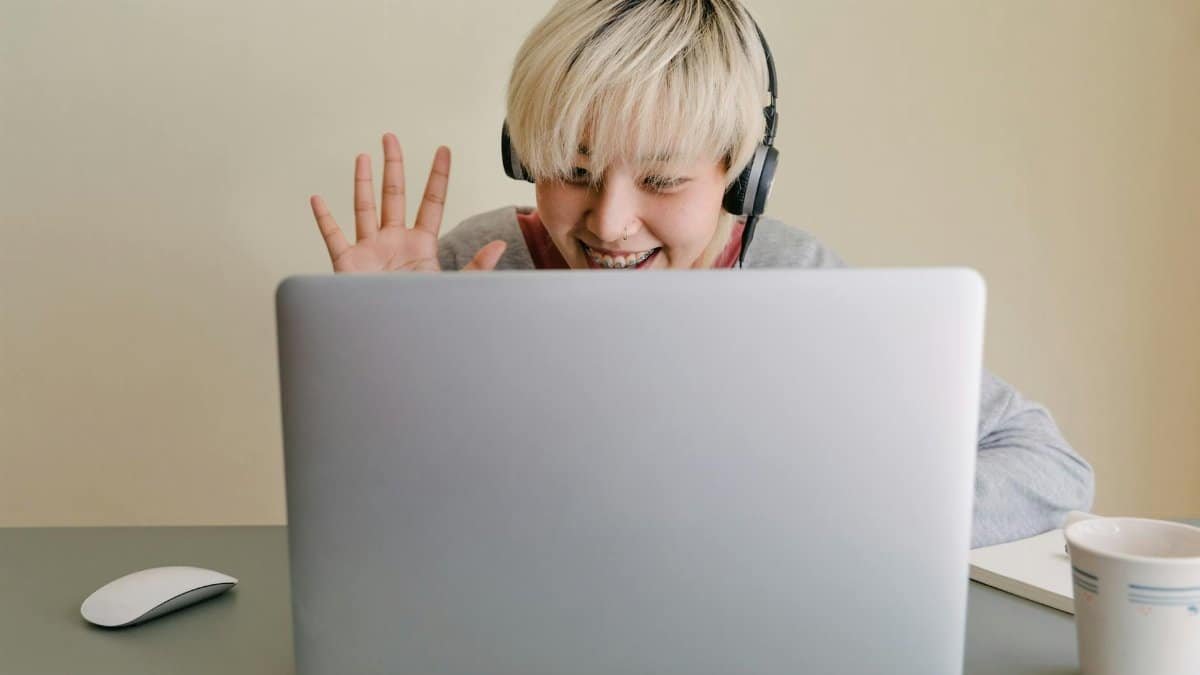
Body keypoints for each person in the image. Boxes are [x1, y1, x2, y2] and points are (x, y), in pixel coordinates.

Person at [306, 0, 1094, 548]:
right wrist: (378, 368)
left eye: (660, 179)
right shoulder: (461, 271)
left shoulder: (803, 286)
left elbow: (1049, 466)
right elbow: (378, 524)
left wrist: (846, 513)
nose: (609, 222)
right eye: (573, 171)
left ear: (740, 177)